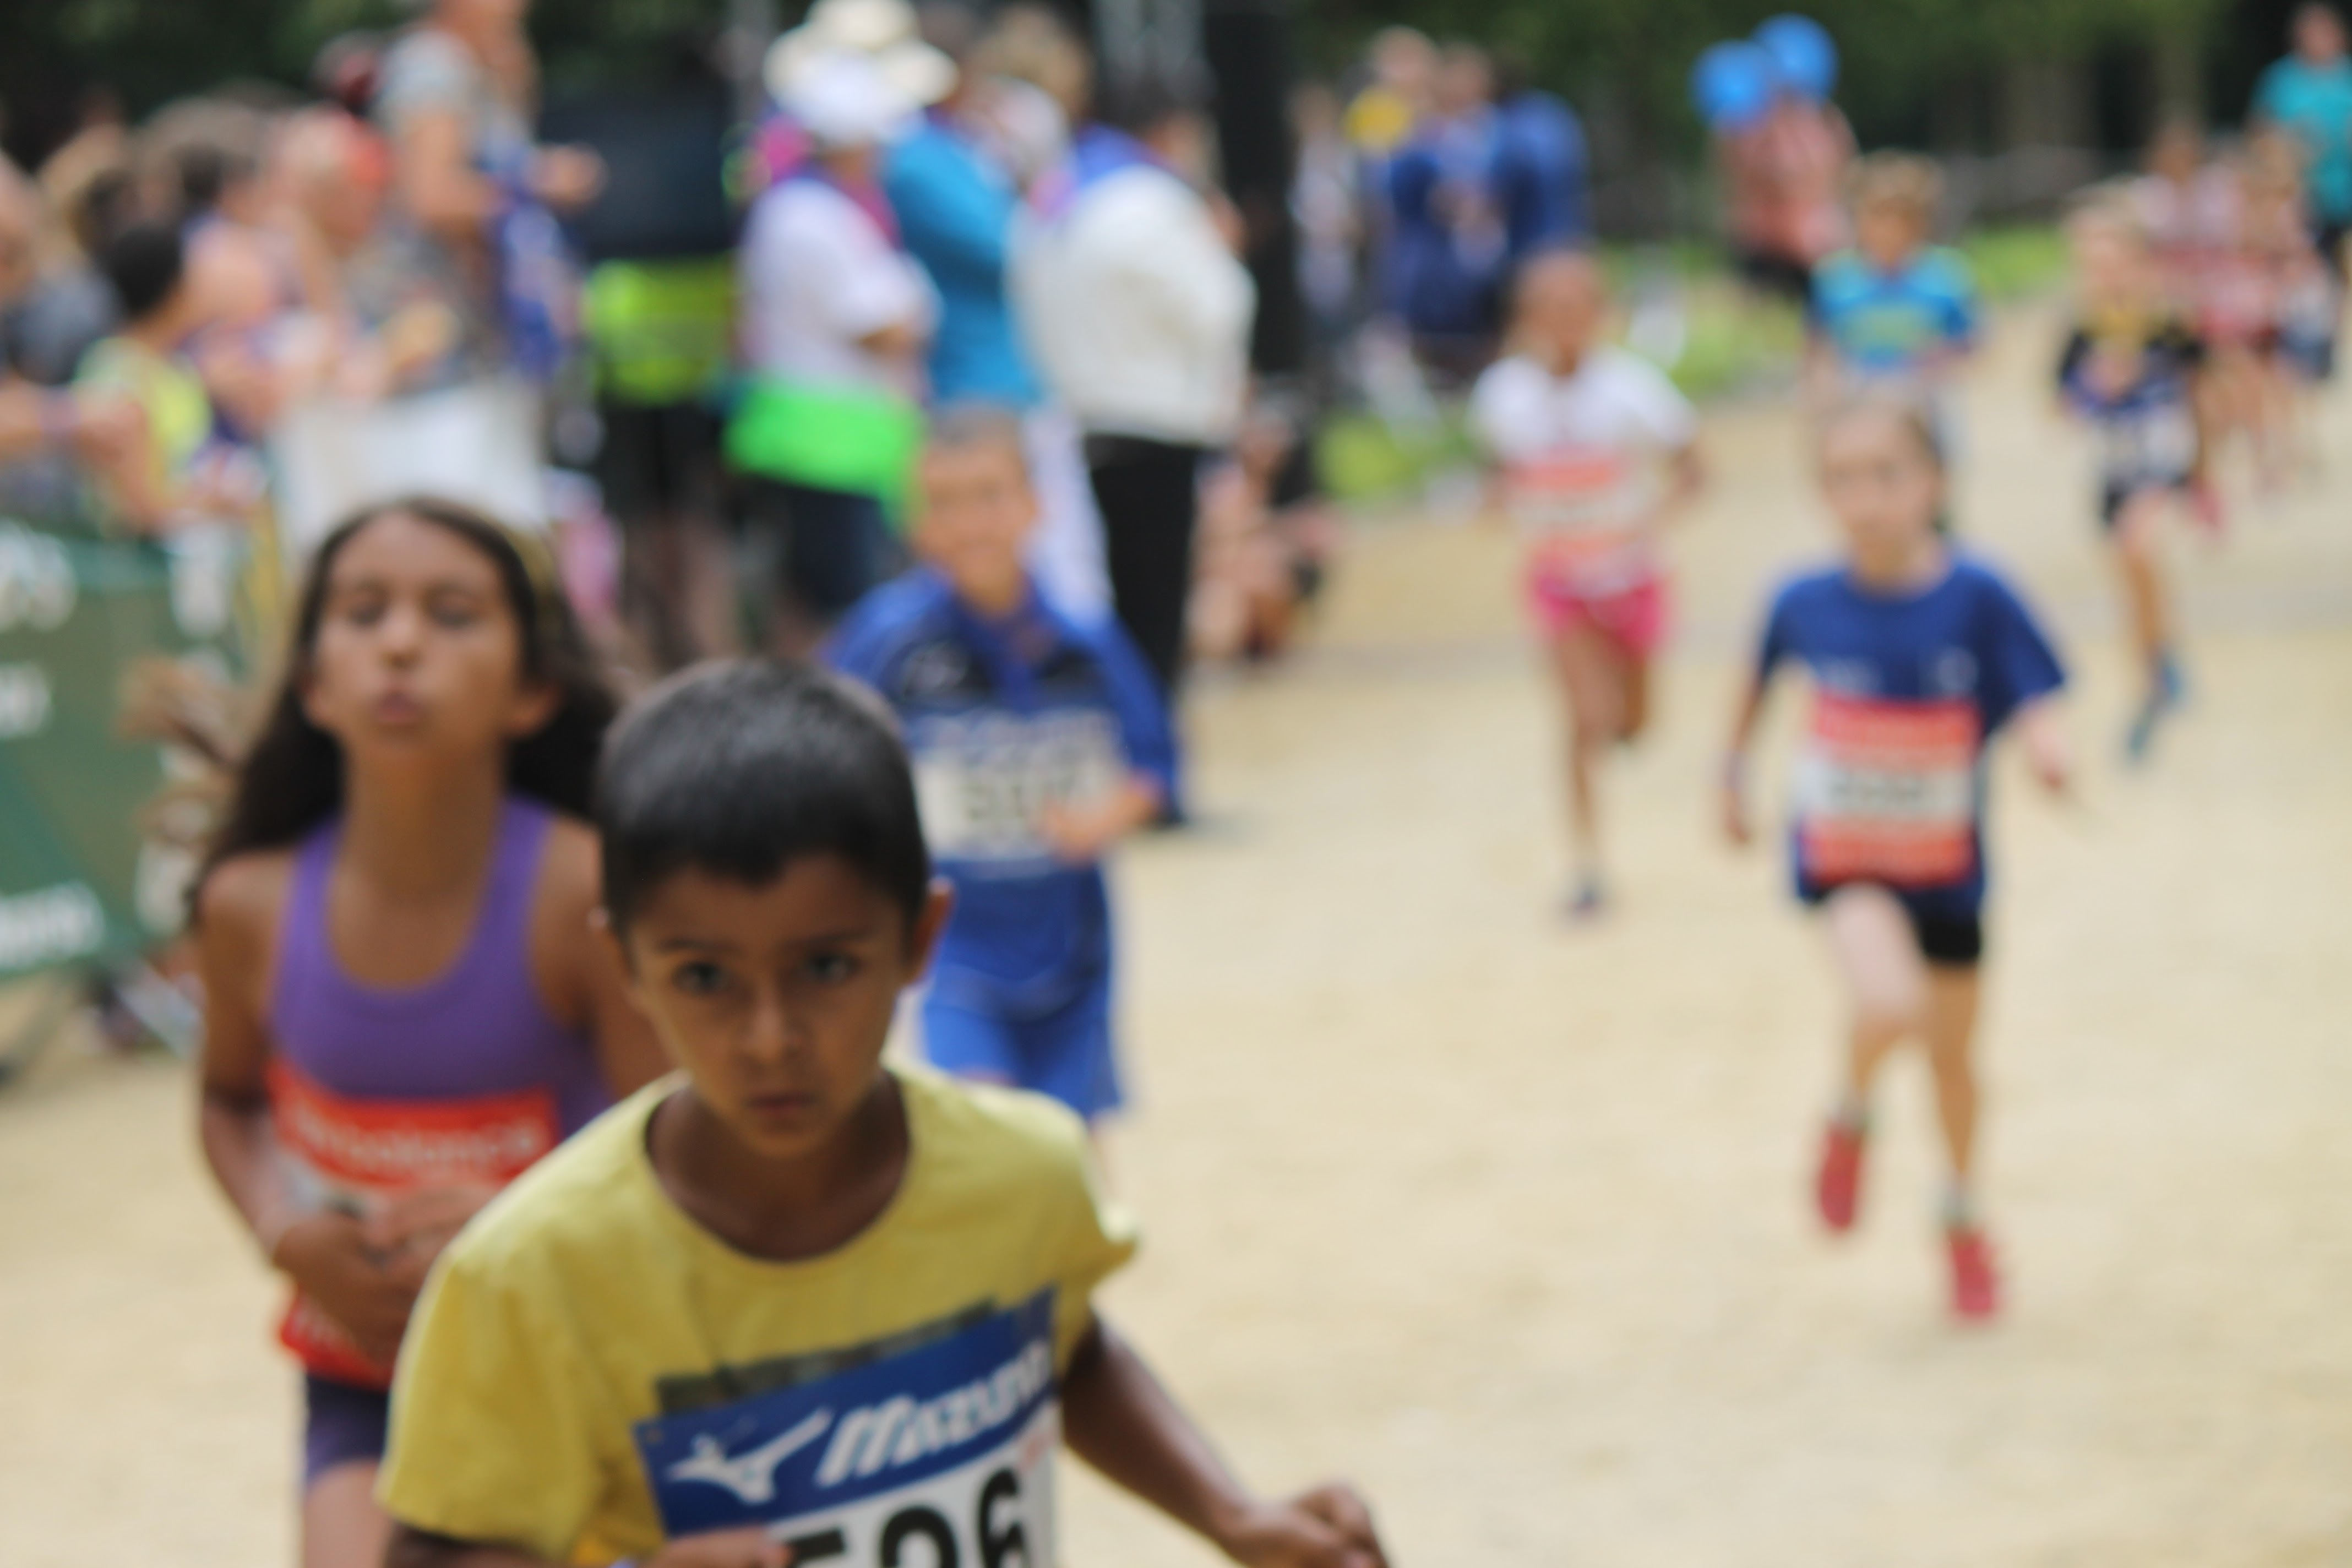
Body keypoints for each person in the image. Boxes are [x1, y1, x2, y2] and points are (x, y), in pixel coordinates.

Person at [372, 658, 1387, 1568]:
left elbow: (1061, 1344)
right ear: (626, 963)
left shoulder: (1023, 1174)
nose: (770, 1037)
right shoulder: (532, 1275)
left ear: (920, 937)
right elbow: (434, 1549)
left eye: (825, 967)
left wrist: (1228, 1513)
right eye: (706, 977)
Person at [189, 498, 671, 1568]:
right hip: (368, 1385)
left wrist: (522, 1229)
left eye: (452, 613)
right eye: (364, 612)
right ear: (314, 682)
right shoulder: (249, 903)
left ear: (534, 688)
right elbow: (225, 1099)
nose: (402, 641)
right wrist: (282, 1227)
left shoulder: (587, 895)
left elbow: (685, 1143)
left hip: (579, 1378)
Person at [1721, 397, 2070, 1323]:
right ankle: (1850, 1113)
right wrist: (1729, 775)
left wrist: (2048, 747)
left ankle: (1960, 1216)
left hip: (1948, 871)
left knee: (1955, 1063)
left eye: (1888, 474)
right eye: (1842, 479)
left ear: (1935, 483)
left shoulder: (1979, 593)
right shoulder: (1801, 601)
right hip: (1846, 861)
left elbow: (2034, 688)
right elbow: (1753, 687)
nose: (1866, 498)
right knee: (1887, 1001)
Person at [829, 406, 1172, 1124]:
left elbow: (1158, 767)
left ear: (1035, 505)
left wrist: (1102, 819)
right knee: (989, 1123)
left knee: (1069, 1145)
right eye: (943, 503)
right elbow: (820, 749)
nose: (969, 523)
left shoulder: (1086, 641)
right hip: (952, 947)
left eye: (988, 496)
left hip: (1072, 946)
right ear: (913, 522)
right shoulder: (886, 642)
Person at [1469, 250, 1702, 917]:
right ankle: (1587, 865)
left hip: (1633, 578)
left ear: (1601, 315)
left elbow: (1694, 467)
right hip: (1559, 582)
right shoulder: (1504, 395)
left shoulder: (1633, 390)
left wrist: (1648, 520)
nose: (1563, 324)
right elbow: (1498, 472)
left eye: (1576, 309)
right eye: (1549, 311)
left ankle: (1621, 725)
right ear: (1525, 319)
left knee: (1635, 723)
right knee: (1582, 721)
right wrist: (1502, 500)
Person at [1015, 71, 1255, 704]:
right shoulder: (1154, 201)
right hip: (1156, 421)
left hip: (1077, 415)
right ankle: (1153, 739)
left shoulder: (1057, 196)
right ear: (1172, 130)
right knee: (1156, 607)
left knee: (1108, 596)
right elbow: (1219, 309)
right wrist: (1225, 248)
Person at [881, 0, 1114, 625]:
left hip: (1016, 378)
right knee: (1003, 555)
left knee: (1056, 553)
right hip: (979, 389)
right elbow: (1014, 248)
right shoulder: (918, 157)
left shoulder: (956, 148)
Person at [731, 48, 939, 651]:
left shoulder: (811, 207)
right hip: (829, 445)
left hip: (840, 439)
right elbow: (883, 329)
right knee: (844, 609)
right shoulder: (811, 215)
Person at [2054, 202, 2209, 763]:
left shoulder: (2170, 321)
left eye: (2114, 263)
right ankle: (2158, 659)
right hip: (2113, 470)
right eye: (2092, 265)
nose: (2104, 275)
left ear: (2141, 263)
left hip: (2163, 461)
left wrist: (2204, 475)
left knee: (2138, 547)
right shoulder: (2083, 330)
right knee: (2131, 575)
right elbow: (2060, 406)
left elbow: (2203, 390)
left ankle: (2151, 685)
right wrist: (2093, 388)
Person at [1807, 153, 1977, 437]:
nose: (1888, 228)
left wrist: (1935, 361)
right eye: (1877, 214)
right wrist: (1824, 392)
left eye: (1899, 216)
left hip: (1925, 400)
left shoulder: (1946, 276)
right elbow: (1818, 349)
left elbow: (1972, 341)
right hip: (1855, 397)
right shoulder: (1835, 280)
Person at [2254, 2, 2352, 285]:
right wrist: (2294, 145)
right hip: (2298, 200)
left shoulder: (2347, 77)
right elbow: (2260, 135)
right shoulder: (2281, 80)